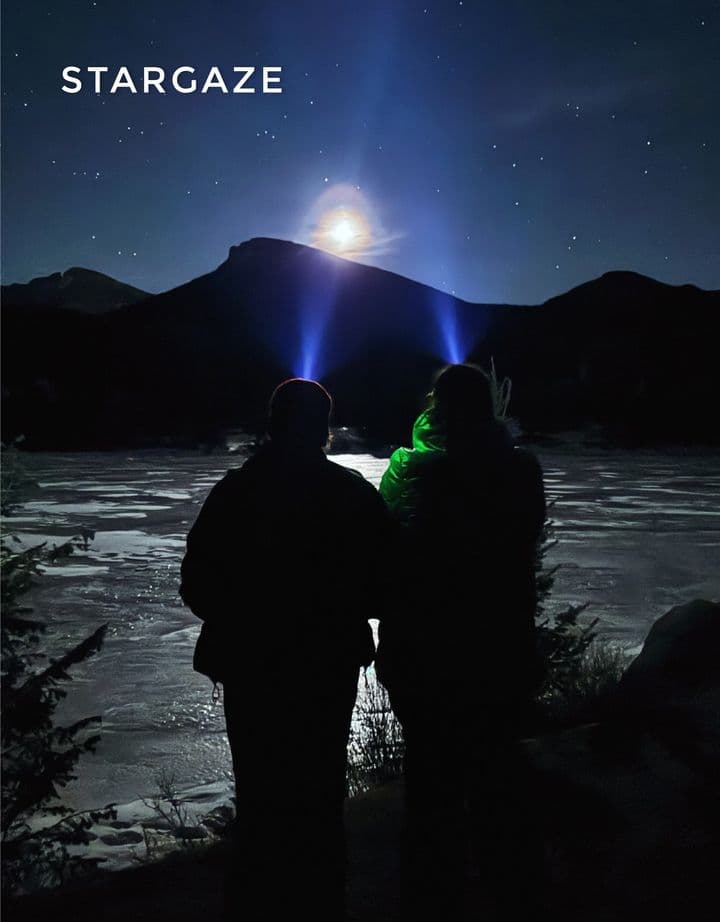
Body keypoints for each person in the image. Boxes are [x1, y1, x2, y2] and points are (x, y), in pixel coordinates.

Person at [179, 378, 392, 922]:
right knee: (321, 791)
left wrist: (243, 617)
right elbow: (388, 580)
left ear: (273, 424)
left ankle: (257, 901)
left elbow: (197, 581)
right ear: (323, 428)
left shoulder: (236, 491)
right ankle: (320, 901)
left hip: (252, 667)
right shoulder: (351, 493)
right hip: (327, 666)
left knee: (259, 792)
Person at [375, 363, 546, 920]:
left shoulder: (412, 473)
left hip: (425, 655)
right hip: (498, 649)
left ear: (437, 406)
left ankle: (432, 899)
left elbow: (383, 556)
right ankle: (512, 896)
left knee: (431, 789)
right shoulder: (519, 470)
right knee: (498, 778)